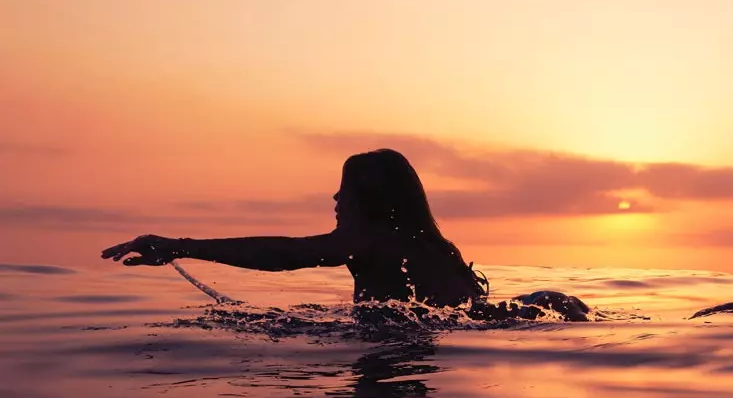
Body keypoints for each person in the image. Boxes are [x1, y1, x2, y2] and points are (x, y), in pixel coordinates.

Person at [101, 149, 590, 321]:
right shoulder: (433, 245)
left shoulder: (373, 240)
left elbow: (286, 254)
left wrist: (179, 246)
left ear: (371, 203)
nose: (335, 202)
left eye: (344, 193)